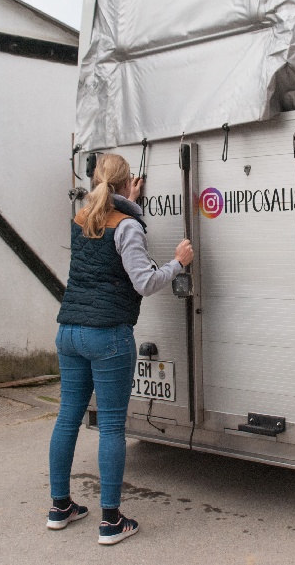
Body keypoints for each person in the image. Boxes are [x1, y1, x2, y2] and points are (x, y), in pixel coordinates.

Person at [47, 153, 193, 545]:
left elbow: (107, 232)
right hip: (107, 335)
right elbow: (144, 281)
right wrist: (177, 263)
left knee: (67, 418)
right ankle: (111, 522)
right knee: (112, 426)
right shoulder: (128, 226)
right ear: (127, 183)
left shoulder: (82, 217)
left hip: (69, 331)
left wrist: (129, 201)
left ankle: (60, 507)